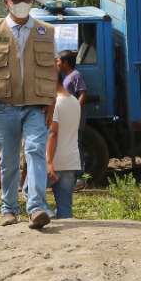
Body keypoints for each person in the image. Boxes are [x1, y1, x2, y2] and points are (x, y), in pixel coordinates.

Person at [0, 0, 57, 229]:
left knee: (35, 151)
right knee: (8, 160)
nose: (21, 3)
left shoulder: (45, 30)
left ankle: (36, 207)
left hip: (35, 106)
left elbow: (53, 67)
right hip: (5, 106)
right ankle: (8, 209)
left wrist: (52, 101)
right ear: (6, 2)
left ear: (32, 0)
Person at [45, 69, 82, 219]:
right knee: (65, 208)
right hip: (71, 160)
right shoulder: (74, 101)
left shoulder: (55, 103)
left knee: (30, 190)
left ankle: (48, 215)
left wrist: (48, 162)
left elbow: (53, 133)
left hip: (55, 160)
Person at [58, 50, 88, 192]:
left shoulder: (76, 75)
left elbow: (82, 94)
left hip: (75, 119)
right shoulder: (66, 76)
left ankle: (80, 179)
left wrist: (75, 110)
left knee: (77, 147)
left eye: (59, 61)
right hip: (69, 119)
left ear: (66, 63)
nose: (57, 63)